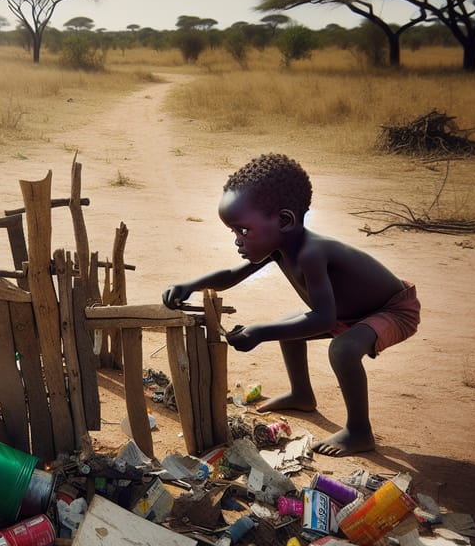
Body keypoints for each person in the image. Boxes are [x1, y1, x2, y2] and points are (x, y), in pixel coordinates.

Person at [162, 153, 420, 456]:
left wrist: (259, 332)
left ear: (284, 220)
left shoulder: (311, 253)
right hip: (347, 313)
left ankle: (359, 431)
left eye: (243, 231)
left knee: (343, 349)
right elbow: (232, 275)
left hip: (391, 310)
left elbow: (324, 320)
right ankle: (302, 394)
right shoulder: (279, 248)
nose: (238, 241)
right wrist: (190, 285)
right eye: (234, 232)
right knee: (289, 328)